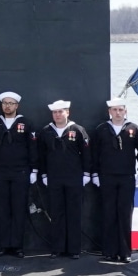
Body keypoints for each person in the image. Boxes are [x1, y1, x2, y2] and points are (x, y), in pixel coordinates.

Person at [92, 97, 138, 263]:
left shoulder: (133, 129)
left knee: (124, 214)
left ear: (125, 111)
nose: (117, 113)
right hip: (107, 178)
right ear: (109, 112)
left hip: (127, 178)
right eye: (114, 110)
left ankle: (124, 252)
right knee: (109, 213)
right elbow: (94, 154)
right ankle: (109, 251)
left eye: (120, 110)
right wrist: (95, 174)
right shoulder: (102, 129)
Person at [37, 99, 92, 257]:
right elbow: (41, 155)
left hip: (74, 178)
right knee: (57, 213)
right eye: (55, 112)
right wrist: (44, 174)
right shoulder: (46, 131)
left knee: (74, 213)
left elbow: (87, 154)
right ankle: (58, 248)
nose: (57, 115)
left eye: (60, 112)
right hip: (54, 178)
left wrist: (87, 174)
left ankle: (74, 249)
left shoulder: (78, 130)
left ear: (67, 112)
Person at [0, 91, 34, 257]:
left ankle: (18, 246)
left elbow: (32, 148)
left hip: (20, 172)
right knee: (2, 209)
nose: (7, 106)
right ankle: (4, 245)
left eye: (11, 103)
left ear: (17, 106)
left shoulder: (26, 123)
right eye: (5, 103)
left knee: (19, 209)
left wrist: (33, 170)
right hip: (0, 172)